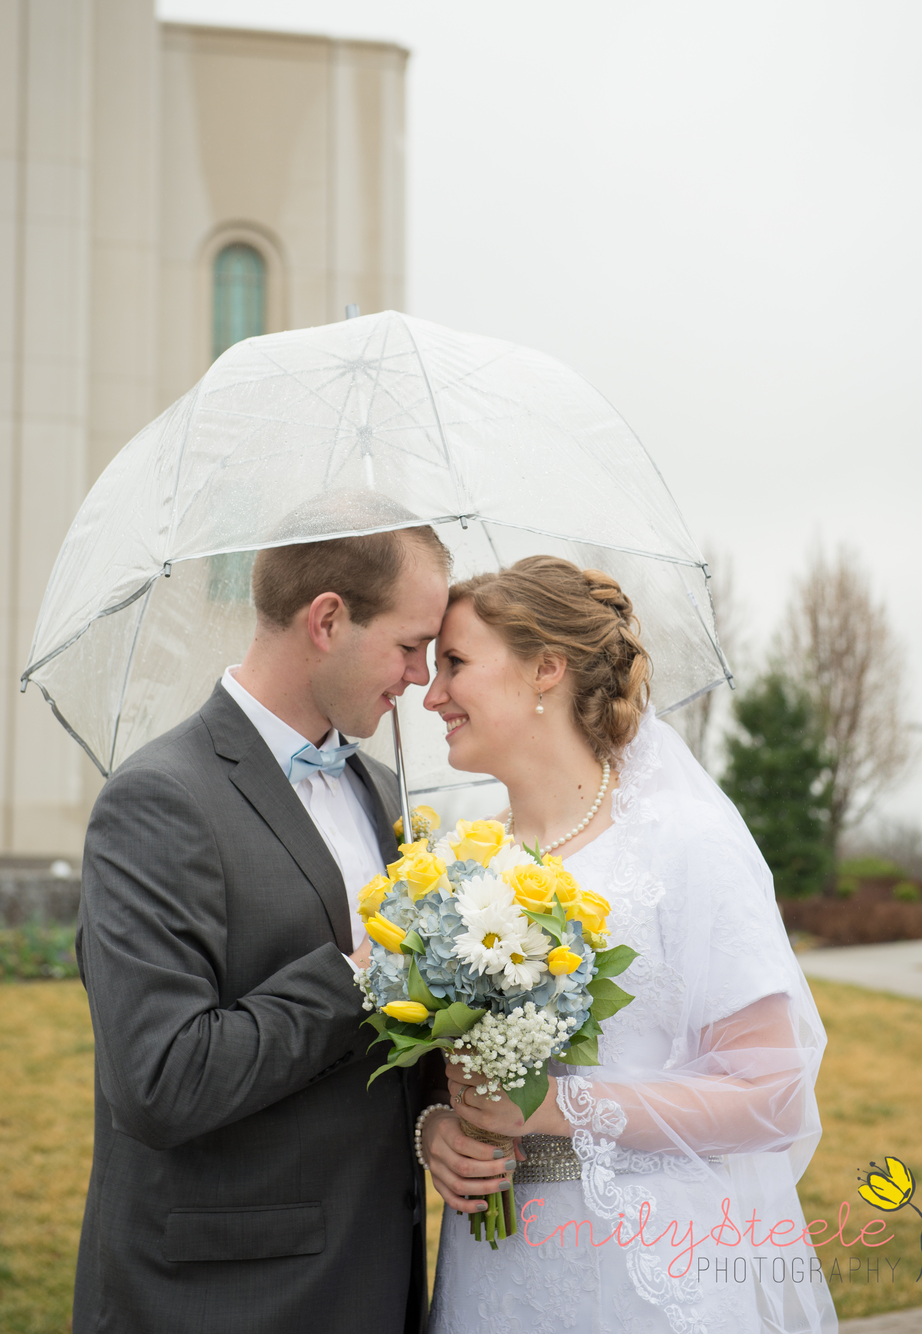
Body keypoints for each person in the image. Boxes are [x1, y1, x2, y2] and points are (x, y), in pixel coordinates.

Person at [418, 556, 837, 1334]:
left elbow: (773, 1094)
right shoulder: (454, 869)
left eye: (455, 664)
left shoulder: (683, 845)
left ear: (546, 668)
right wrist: (440, 1130)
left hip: (646, 1266)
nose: (430, 693)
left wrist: (553, 1107)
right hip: (494, 1274)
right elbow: (452, 1073)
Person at [73, 520, 450, 1334]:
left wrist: (449, 1099)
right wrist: (362, 975)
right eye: (410, 646)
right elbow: (163, 1079)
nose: (421, 678)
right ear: (326, 621)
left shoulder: (385, 792)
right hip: (227, 1298)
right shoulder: (159, 802)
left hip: (378, 1275)